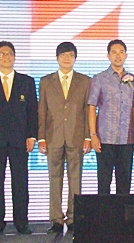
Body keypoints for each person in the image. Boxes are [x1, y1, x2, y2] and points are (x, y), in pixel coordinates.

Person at [0, 41, 38, 235]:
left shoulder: (26, 82)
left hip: (20, 140)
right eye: (2, 54)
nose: (6, 57)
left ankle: (21, 222)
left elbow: (32, 112)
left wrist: (32, 136)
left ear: (15, 57)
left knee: (20, 182)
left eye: (9, 53)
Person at [38, 42, 91, 233]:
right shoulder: (45, 81)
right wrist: (41, 137)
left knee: (75, 178)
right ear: (57, 58)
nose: (66, 58)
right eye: (63, 55)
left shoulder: (85, 81)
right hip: (53, 136)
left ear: (75, 58)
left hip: (76, 136)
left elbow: (88, 110)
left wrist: (88, 136)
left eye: (70, 55)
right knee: (54, 178)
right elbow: (42, 109)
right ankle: (56, 219)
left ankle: (73, 218)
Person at [88, 39, 134, 195]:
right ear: (108, 56)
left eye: (121, 52)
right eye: (114, 52)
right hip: (105, 138)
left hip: (127, 139)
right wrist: (93, 135)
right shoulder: (99, 78)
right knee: (104, 182)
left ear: (126, 55)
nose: (118, 56)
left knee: (124, 183)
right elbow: (91, 107)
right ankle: (104, 218)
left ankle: (122, 219)